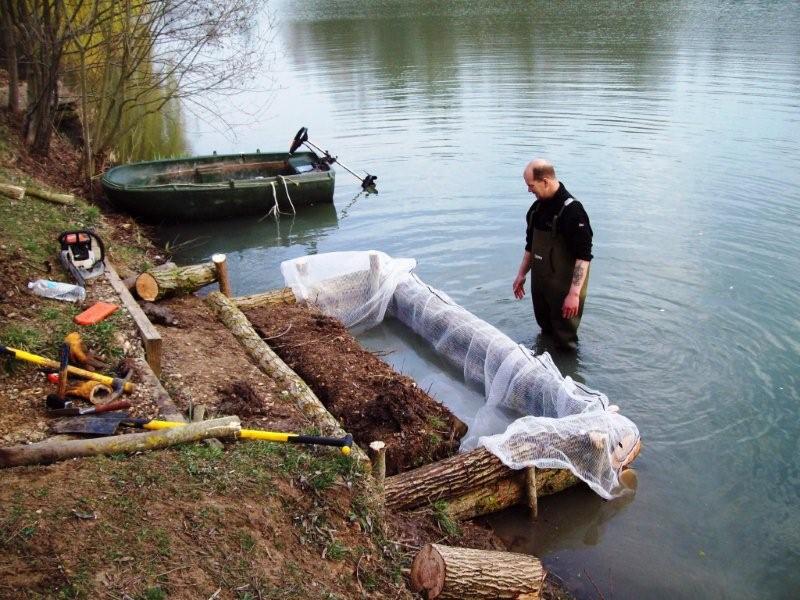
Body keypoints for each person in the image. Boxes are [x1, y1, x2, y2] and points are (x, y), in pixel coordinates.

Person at [512, 159, 593, 350]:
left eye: (531, 186)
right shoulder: (535, 210)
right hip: (541, 283)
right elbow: (530, 246)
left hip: (565, 288)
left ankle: (568, 373)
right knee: (545, 330)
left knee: (565, 339)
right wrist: (521, 274)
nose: (529, 190)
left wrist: (573, 294)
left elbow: (584, 256)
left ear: (545, 181)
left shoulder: (573, 212)